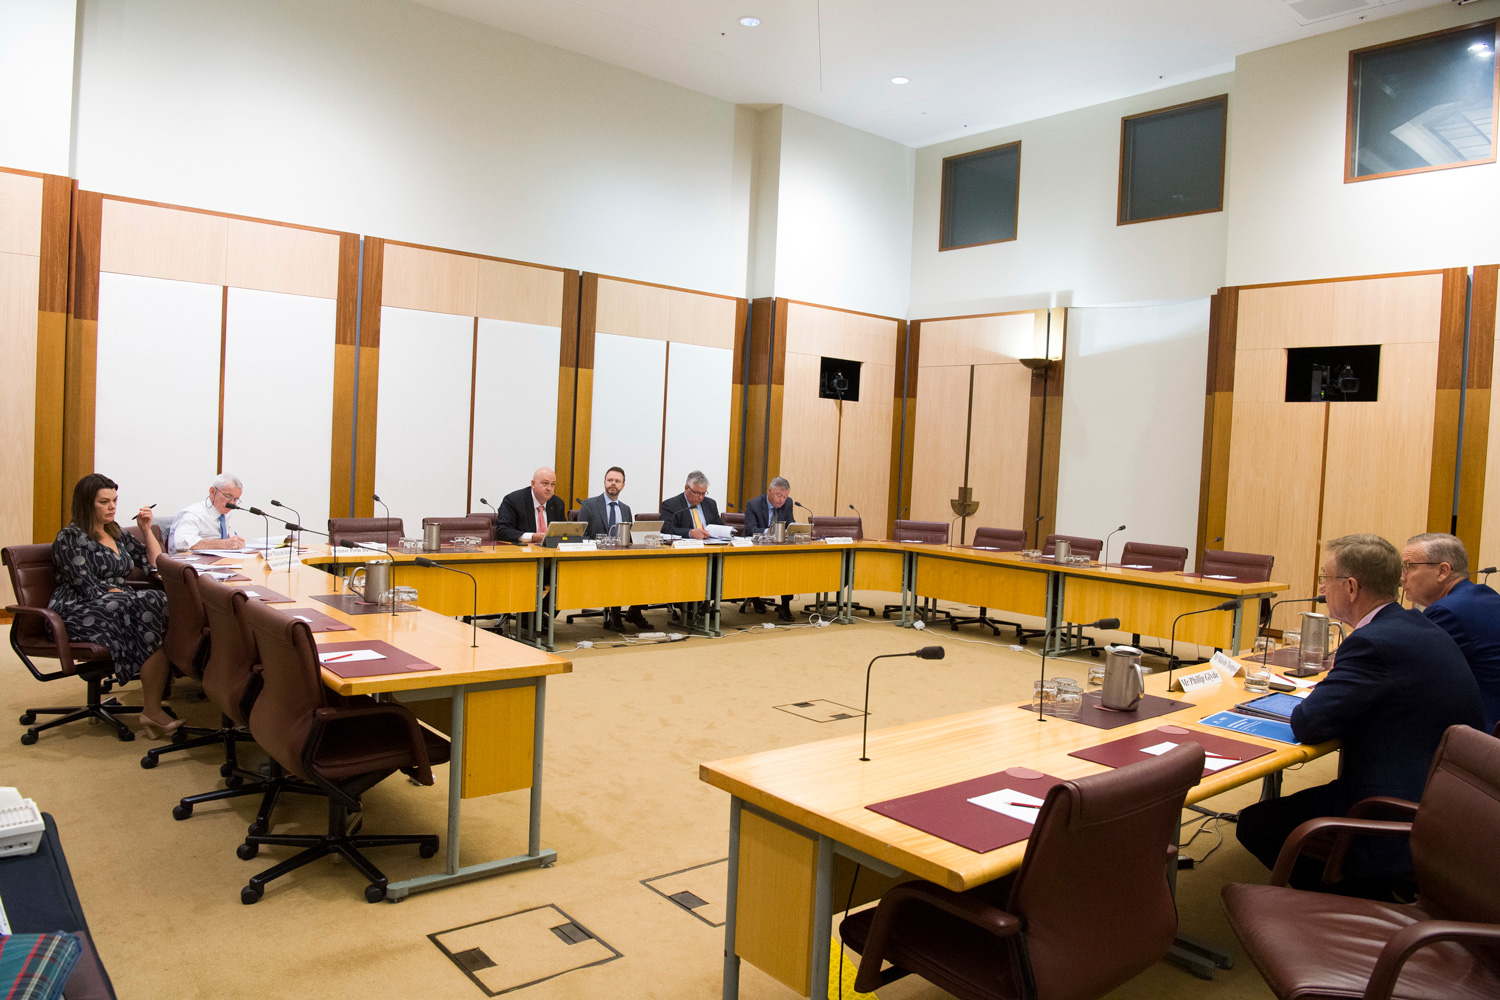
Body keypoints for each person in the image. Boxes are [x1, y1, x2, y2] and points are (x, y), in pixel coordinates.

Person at [1235, 534, 1483, 896]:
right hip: (1444, 799)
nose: (1320, 588)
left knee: (1256, 823)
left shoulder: (1371, 642)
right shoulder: (1415, 625)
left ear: (1350, 587)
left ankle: (1356, 897)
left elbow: (1310, 723)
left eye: (1325, 578)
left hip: (1397, 809)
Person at [51, 473, 180, 739]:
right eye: (104, 501)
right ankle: (153, 709)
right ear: (88, 504)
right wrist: (119, 593)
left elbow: (156, 564)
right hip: (78, 608)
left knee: (156, 603)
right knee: (148, 606)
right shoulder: (70, 537)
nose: (112, 506)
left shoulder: (116, 532)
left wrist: (146, 530)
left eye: (115, 500)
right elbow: (85, 585)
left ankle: (152, 707)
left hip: (114, 601)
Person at [1402, 532, 1500, 732]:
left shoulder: (1447, 612)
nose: (1402, 578)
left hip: (1480, 736)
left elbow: (1408, 675)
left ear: (1442, 571)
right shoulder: (1486, 596)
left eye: (1409, 567)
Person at [578, 467, 648, 631]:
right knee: (618, 573)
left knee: (644, 569)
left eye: (617, 481)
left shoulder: (625, 509)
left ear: (623, 485)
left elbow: (629, 538)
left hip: (621, 556)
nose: (613, 484)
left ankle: (635, 611)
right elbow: (581, 535)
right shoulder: (589, 505)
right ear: (604, 482)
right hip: (597, 558)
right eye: (610, 480)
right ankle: (615, 615)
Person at [743, 477, 796, 621]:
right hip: (756, 548)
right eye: (779, 495)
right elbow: (750, 529)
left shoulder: (788, 503)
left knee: (789, 567)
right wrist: (770, 532)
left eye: (785, 496)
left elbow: (790, 523)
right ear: (769, 491)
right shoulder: (753, 504)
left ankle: (785, 605)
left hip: (780, 548)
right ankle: (754, 597)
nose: (782, 500)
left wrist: (796, 530)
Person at [171, 473, 246, 551]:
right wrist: (224, 544)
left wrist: (234, 543)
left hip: (218, 560)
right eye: (228, 496)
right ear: (212, 491)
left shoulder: (224, 514)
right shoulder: (194, 514)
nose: (232, 504)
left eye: (235, 499)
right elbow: (182, 543)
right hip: (189, 561)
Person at [496, 467, 566, 545]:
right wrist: (532, 537)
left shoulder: (557, 503)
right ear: (533, 484)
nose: (549, 488)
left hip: (551, 552)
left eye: (553, 484)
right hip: (523, 553)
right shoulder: (514, 501)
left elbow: (563, 532)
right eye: (545, 483)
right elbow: (502, 532)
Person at [661, 471, 725, 540]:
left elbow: (719, 526)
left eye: (703, 493)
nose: (700, 497)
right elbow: (667, 529)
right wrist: (690, 533)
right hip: (686, 547)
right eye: (697, 493)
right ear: (686, 488)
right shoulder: (671, 505)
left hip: (710, 546)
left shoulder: (710, 504)